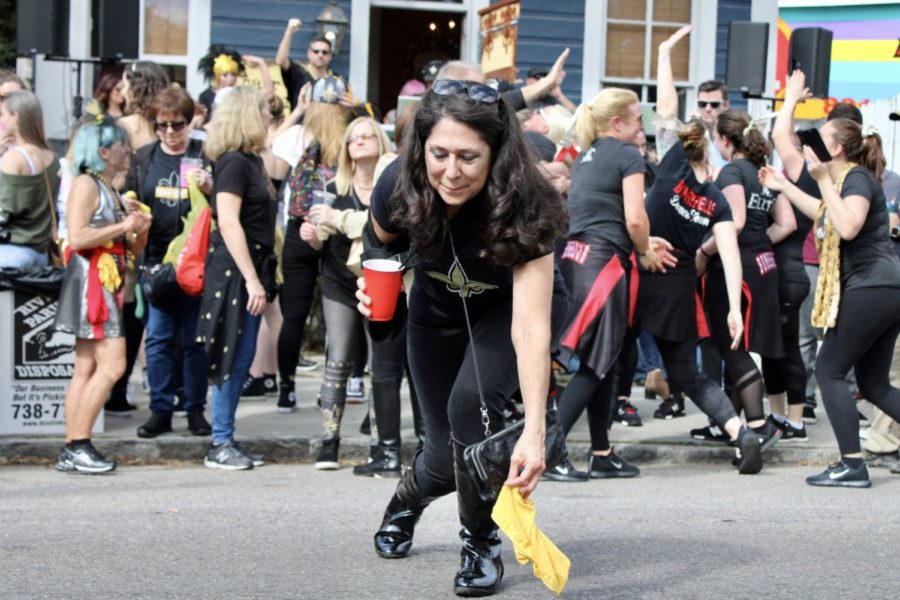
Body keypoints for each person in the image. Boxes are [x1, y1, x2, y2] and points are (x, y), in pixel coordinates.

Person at [357, 81, 567, 596]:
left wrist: (534, 431)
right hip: (433, 314)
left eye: (469, 157)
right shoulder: (398, 183)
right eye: (440, 154)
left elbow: (530, 326)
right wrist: (375, 282)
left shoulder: (528, 202)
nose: (451, 171)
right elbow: (375, 239)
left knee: (469, 408)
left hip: (506, 313)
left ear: (495, 155)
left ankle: (479, 543)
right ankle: (406, 499)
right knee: (442, 455)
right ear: (421, 148)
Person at [760, 119, 900, 487]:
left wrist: (820, 178)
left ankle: (852, 465)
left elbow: (849, 226)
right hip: (883, 288)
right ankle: (852, 463)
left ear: (835, 149)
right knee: (873, 385)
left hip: (872, 286)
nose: (810, 147)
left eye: (818, 141)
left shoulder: (855, 179)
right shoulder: (845, 183)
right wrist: (783, 186)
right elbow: (826, 213)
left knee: (829, 371)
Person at [552, 87, 673, 480]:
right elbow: (635, 219)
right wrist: (645, 250)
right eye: (639, 119)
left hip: (579, 259)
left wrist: (639, 242)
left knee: (598, 362)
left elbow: (603, 216)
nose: (644, 127)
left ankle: (601, 451)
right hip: (605, 266)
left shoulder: (586, 158)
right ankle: (550, 451)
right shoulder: (626, 154)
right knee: (594, 365)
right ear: (617, 122)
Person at [638, 119, 764, 471]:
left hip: (643, 274)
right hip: (679, 286)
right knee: (689, 375)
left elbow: (664, 110)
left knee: (607, 366)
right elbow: (729, 253)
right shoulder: (715, 201)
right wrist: (734, 309)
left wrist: (663, 59)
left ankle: (592, 449)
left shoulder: (671, 169)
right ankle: (740, 432)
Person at [53, 118, 152, 473]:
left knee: (86, 367)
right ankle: (78, 444)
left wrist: (137, 230)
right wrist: (124, 225)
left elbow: (126, 247)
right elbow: (77, 237)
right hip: (93, 283)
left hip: (105, 280)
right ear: (103, 152)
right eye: (121, 145)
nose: (128, 149)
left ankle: (73, 446)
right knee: (113, 366)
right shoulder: (86, 183)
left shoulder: (107, 187)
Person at [696, 109, 791, 456]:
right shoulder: (763, 172)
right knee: (739, 347)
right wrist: (756, 244)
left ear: (724, 140)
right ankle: (733, 426)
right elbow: (785, 225)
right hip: (763, 264)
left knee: (731, 348)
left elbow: (733, 223)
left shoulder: (733, 171)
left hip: (735, 269)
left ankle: (757, 425)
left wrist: (704, 252)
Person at [304, 116, 392, 469]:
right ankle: (329, 440)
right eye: (353, 137)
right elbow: (318, 235)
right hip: (340, 281)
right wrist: (313, 237)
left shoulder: (390, 186)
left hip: (380, 281)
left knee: (378, 364)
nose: (360, 141)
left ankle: (378, 441)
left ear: (380, 143)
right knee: (338, 358)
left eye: (368, 135)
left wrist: (337, 220)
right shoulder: (333, 187)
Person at [129, 87, 213, 439]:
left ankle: (195, 409)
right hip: (158, 263)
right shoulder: (144, 158)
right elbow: (132, 197)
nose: (169, 132)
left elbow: (223, 204)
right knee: (159, 340)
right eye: (161, 126)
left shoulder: (203, 153)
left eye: (176, 125)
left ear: (189, 121)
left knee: (196, 342)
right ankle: (160, 410)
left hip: (195, 263)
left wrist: (209, 185)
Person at [272, 77, 348, 412]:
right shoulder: (349, 135)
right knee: (342, 312)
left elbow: (273, 172)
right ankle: (344, 382)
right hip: (336, 224)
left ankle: (286, 388)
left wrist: (296, 112)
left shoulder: (294, 137)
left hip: (298, 225)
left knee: (294, 315)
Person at [0, 91, 60, 268]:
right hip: (40, 253)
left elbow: (4, 209)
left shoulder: (14, 158)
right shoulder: (52, 157)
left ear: (16, 117)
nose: (2, 120)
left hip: (11, 251)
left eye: (3, 114)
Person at [275, 19, 343, 109]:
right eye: (316, 51)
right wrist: (289, 30)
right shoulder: (299, 72)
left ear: (331, 55)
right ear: (309, 53)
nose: (320, 55)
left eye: (325, 52)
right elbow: (281, 60)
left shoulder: (337, 80)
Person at [119, 62, 170, 151]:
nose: (122, 92)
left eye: (124, 86)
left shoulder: (124, 126)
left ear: (136, 89)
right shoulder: (174, 126)